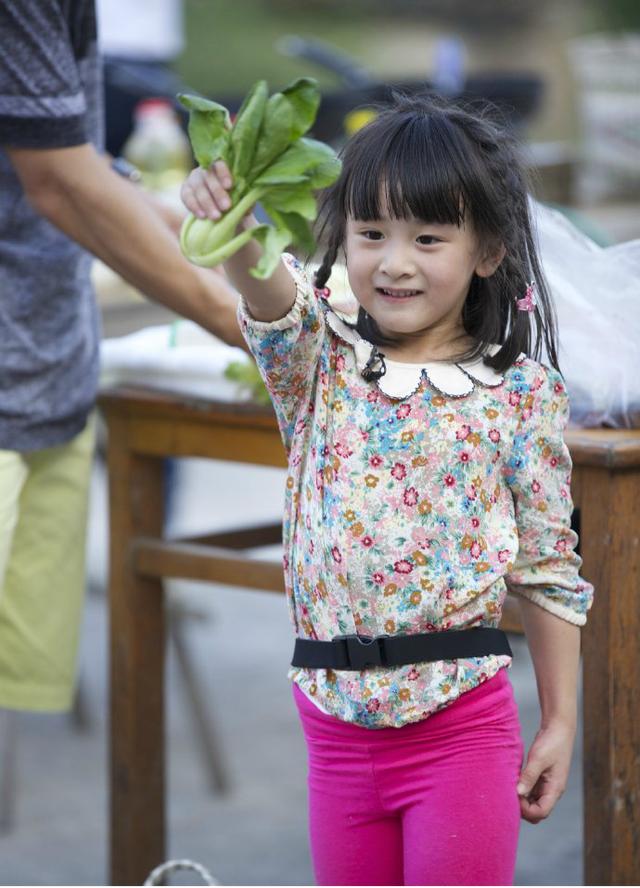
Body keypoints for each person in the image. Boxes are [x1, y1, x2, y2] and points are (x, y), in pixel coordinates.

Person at [181, 93, 594, 886]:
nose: (393, 262)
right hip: (333, 728)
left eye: (427, 237)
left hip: (460, 726)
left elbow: (548, 569)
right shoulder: (317, 365)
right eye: (370, 234)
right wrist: (232, 217)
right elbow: (267, 288)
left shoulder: (517, 392)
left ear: (488, 250)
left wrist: (562, 719)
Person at [0, 0, 243, 715]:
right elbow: (61, 182)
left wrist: (230, 255)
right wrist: (260, 328)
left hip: (43, 370)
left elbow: (63, 151)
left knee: (18, 696)